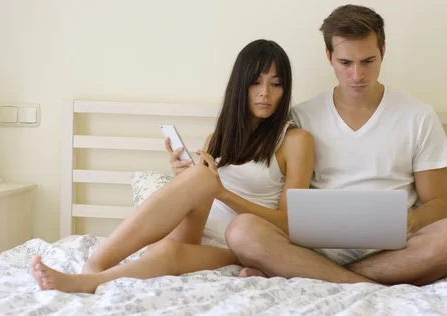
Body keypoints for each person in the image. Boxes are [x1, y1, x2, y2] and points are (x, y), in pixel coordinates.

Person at [30, 39, 314, 293]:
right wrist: (184, 178)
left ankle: (88, 282)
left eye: (275, 84)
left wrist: (222, 193)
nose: (265, 93)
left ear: (284, 90)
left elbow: (290, 224)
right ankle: (94, 265)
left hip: (239, 243)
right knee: (198, 179)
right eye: (255, 82)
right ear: (240, 86)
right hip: (198, 229)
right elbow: (202, 194)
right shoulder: (218, 138)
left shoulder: (295, 140)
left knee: (168, 248)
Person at [224, 5, 447, 286]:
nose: (357, 75)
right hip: (311, 247)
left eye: (368, 61)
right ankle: (350, 279)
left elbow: (438, 205)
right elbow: (269, 188)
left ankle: (320, 276)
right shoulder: (301, 117)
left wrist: (412, 221)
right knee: (242, 230)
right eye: (345, 63)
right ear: (329, 56)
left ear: (383, 52)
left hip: (392, 250)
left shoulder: (418, 116)